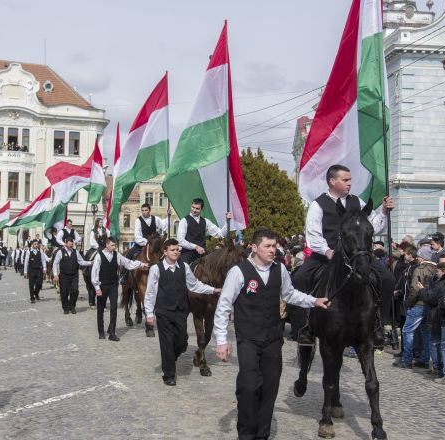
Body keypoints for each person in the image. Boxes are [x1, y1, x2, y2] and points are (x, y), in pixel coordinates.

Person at [214, 229, 329, 440]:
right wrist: (222, 341)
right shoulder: (238, 272)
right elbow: (223, 307)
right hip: (248, 338)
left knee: (269, 388)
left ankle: (262, 435)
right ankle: (246, 434)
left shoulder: (280, 270)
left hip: (273, 340)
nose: (272, 250)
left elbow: (290, 294)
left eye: (274, 246)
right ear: (254, 247)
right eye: (267, 246)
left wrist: (314, 301)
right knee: (249, 387)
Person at [294, 164, 394, 346]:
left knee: (386, 278)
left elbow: (374, 226)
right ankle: (305, 327)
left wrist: (384, 212)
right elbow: (313, 235)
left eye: (350, 180)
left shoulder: (358, 202)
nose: (349, 183)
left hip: (357, 254)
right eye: (345, 180)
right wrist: (327, 251)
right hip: (327, 255)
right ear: (332, 181)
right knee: (300, 278)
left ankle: (380, 324)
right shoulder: (318, 205)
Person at [144, 239, 220, 385]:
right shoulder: (156, 269)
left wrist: (213, 290)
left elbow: (195, 285)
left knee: (181, 342)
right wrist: (149, 314)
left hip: (180, 311)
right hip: (164, 311)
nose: (176, 252)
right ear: (165, 252)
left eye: (178, 250)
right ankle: (169, 375)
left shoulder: (184, 267)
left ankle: (170, 358)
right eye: (173, 250)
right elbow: (150, 293)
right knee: (166, 343)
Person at [90, 237, 146, 341]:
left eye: (115, 245)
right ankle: (101, 331)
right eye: (112, 245)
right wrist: (97, 287)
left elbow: (128, 263)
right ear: (107, 245)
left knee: (114, 308)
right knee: (101, 309)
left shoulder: (117, 255)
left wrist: (142, 264)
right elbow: (94, 273)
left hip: (113, 286)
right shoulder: (99, 256)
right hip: (102, 286)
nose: (114, 247)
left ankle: (112, 332)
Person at [176, 198, 231, 265]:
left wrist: (227, 222)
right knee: (183, 271)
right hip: (187, 254)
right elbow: (180, 240)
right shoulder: (184, 221)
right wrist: (195, 247)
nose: (194, 210)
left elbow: (221, 234)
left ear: (201, 209)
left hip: (202, 254)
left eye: (197, 208)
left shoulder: (206, 221)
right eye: (193, 207)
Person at [52, 237, 92, 314]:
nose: (72, 245)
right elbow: (55, 263)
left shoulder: (75, 252)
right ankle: (65, 308)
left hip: (74, 276)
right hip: (64, 276)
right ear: (66, 243)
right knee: (64, 292)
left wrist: (90, 262)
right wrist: (55, 274)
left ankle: (72, 306)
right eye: (70, 243)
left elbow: (81, 262)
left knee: (75, 291)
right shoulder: (60, 252)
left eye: (72, 244)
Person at [23, 240, 49, 304]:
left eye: (37, 244)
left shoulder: (40, 251)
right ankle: (32, 297)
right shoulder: (29, 251)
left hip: (39, 270)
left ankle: (36, 293)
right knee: (31, 284)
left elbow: (43, 260)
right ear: (32, 245)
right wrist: (25, 271)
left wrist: (44, 268)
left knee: (39, 284)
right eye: (35, 244)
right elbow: (26, 262)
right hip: (31, 270)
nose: (36, 245)